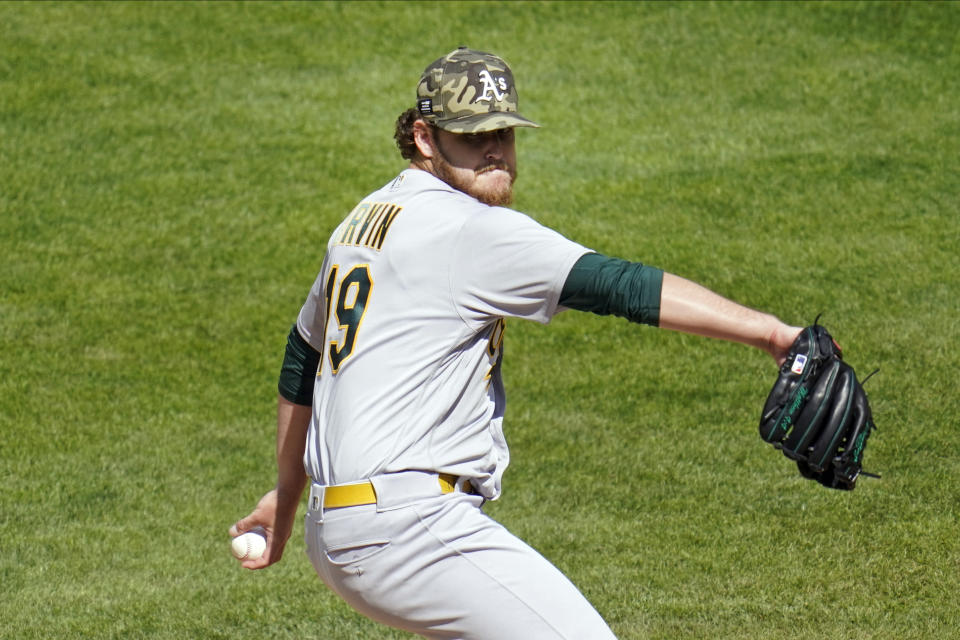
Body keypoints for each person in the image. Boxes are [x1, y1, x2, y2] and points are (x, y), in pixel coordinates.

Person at [231, 47, 802, 639]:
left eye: (502, 131)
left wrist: (289, 494)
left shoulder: (365, 218)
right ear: (425, 137)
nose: (494, 149)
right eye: (473, 135)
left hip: (343, 526)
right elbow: (618, 285)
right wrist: (771, 333)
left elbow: (305, 357)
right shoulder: (469, 227)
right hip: (406, 528)